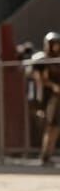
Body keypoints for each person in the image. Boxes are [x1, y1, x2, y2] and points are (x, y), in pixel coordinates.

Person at [32, 32, 60, 166]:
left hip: (57, 97)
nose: (56, 46)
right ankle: (45, 155)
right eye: (53, 44)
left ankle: (48, 155)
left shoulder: (58, 60)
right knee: (50, 126)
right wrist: (53, 86)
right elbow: (40, 79)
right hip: (48, 98)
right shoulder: (43, 60)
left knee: (55, 127)